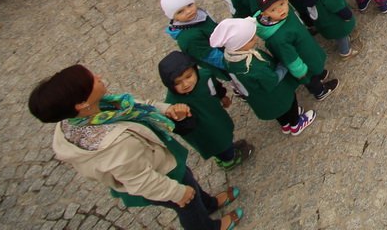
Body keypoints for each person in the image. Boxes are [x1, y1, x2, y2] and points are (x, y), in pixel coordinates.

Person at [28, 64, 243, 230]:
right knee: (187, 203)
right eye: (93, 80)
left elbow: (139, 105)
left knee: (191, 185)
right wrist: (176, 193)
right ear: (82, 103)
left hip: (159, 160)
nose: (99, 77)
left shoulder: (89, 111)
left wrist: (166, 110)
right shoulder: (114, 146)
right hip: (162, 177)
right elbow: (143, 182)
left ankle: (210, 203)